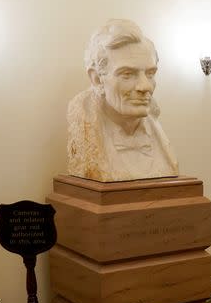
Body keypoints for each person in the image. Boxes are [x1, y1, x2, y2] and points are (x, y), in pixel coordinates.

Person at [67, 19, 178, 182]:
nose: (145, 86)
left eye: (150, 74)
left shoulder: (156, 130)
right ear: (97, 79)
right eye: (127, 74)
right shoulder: (84, 124)